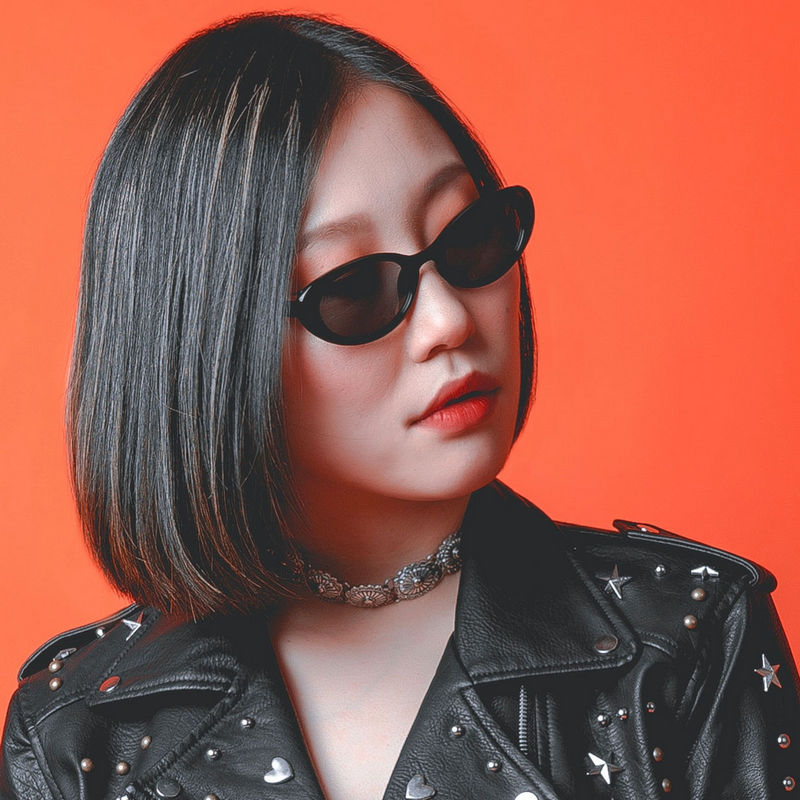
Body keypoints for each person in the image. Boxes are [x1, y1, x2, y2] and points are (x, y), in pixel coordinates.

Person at [1, 13, 798, 800]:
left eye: (469, 238)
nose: (451, 320)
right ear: (203, 349)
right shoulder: (75, 732)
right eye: (354, 288)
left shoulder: (685, 640)